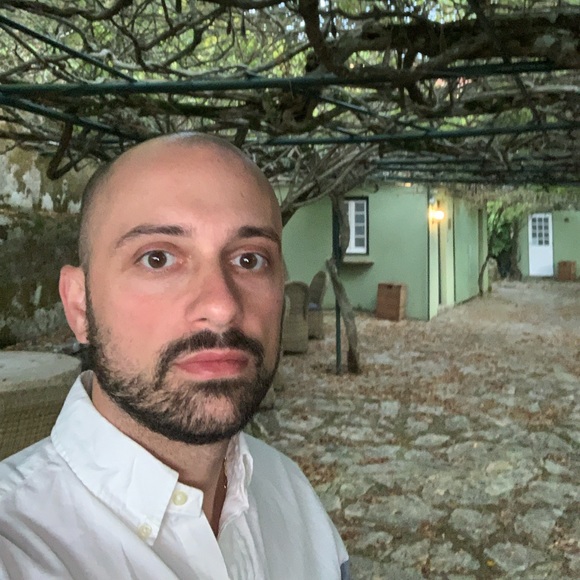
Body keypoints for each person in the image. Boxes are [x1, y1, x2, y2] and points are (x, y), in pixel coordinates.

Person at [0, 133, 350, 579]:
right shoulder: (15, 548)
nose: (221, 306)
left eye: (249, 260)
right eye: (158, 258)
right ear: (79, 305)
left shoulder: (291, 494)